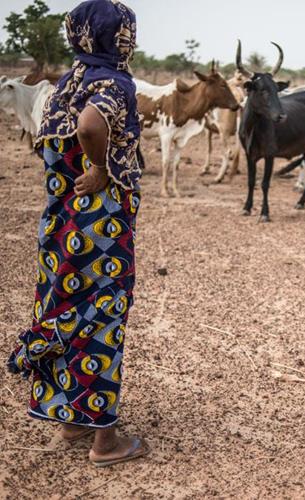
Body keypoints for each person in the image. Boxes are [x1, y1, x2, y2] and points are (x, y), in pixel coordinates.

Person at [6, 0, 149, 467]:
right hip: (100, 232)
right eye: (127, 33)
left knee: (65, 307)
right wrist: (102, 168)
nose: (131, 40)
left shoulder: (68, 84)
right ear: (117, 38)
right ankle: (104, 441)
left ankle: (70, 418)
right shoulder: (114, 84)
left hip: (61, 229)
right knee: (101, 319)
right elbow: (92, 126)